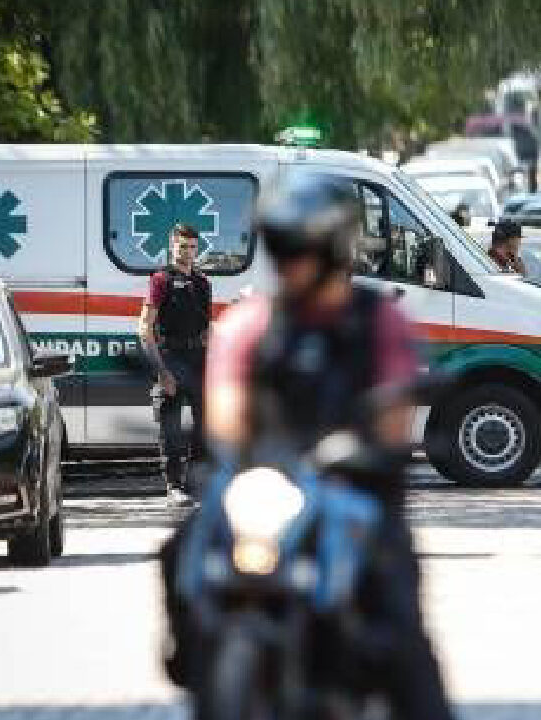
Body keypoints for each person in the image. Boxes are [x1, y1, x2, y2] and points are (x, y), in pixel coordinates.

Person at [162, 174, 454, 720]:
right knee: (182, 545)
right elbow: (225, 410)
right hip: (267, 484)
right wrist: (239, 448)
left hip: (355, 487)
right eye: (280, 247)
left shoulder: (379, 320)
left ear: (334, 248)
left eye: (299, 248)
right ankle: (190, 652)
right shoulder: (250, 323)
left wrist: (367, 443)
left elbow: (394, 416)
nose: (288, 261)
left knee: (399, 617)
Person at [139, 223, 211, 504]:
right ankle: (174, 486)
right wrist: (161, 371)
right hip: (170, 357)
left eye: (192, 247)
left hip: (199, 359)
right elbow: (144, 327)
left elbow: (206, 328)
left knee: (205, 426)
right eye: (183, 246)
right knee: (171, 427)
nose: (188, 252)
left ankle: (195, 483)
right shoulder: (161, 280)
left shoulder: (202, 282)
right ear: (172, 246)